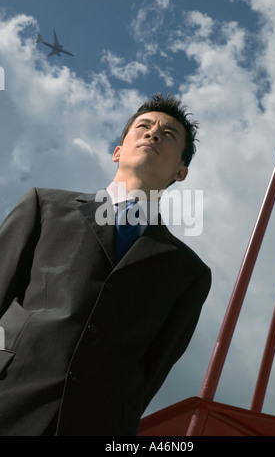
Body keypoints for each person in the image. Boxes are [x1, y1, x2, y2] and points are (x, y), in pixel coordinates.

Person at [0, 93, 211, 436]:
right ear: (117, 152)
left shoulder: (189, 272)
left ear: (181, 171)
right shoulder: (45, 205)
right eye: (143, 127)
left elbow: (153, 368)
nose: (153, 134)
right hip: (10, 399)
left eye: (169, 134)